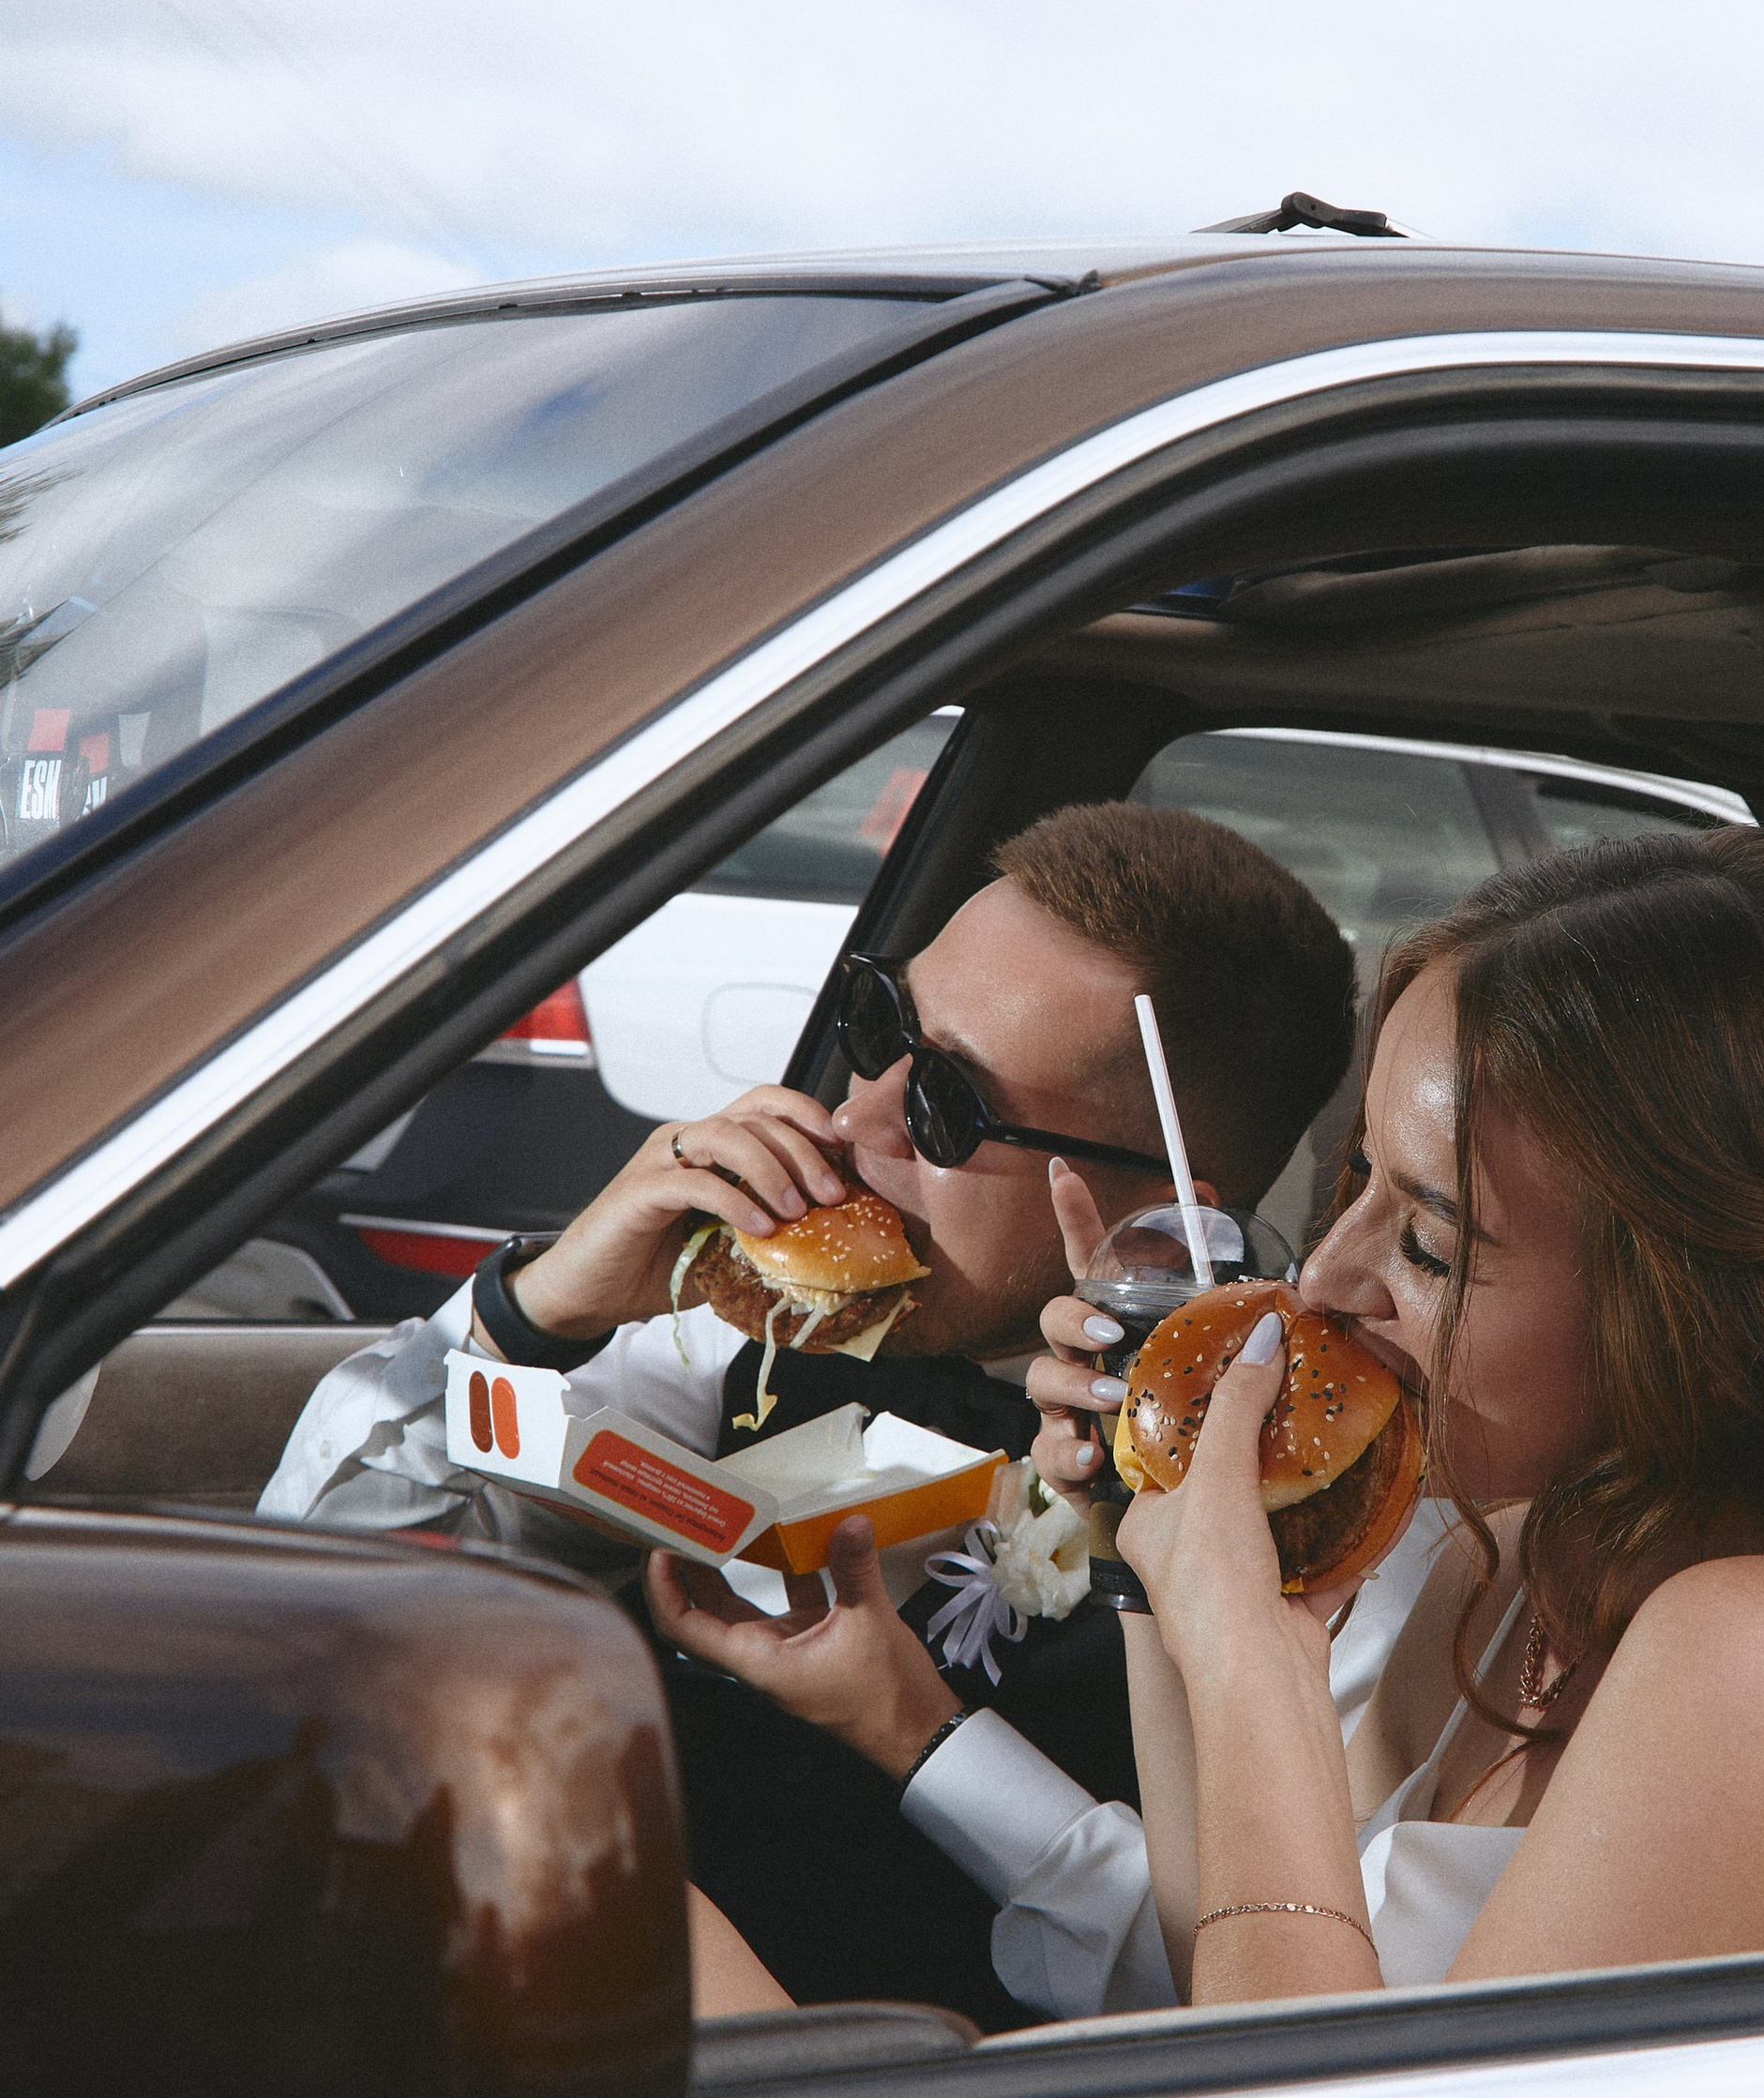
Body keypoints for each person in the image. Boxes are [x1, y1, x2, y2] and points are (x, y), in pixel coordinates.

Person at [261, 799, 1358, 2021]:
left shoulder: (1295, 1508)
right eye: (880, 1025)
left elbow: (1245, 1987)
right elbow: (316, 1593)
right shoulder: (763, 1319)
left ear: (1155, 1204)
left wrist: (916, 1730)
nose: (853, 1116)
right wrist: (536, 1313)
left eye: (944, 1106)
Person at [1052, 826, 1764, 2002]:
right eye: (1357, 1177)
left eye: (1432, 1244)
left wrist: (1250, 1672)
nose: (1324, 1277)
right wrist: (1155, 1540)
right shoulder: (1506, 1579)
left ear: (1704, 1324)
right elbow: (1228, 1965)